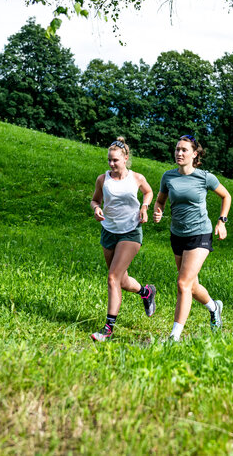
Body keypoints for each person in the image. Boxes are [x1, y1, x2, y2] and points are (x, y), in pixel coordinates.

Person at [153, 135, 231, 342]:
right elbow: (160, 201)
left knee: (182, 283)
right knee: (192, 286)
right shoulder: (168, 177)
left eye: (184, 150)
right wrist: (158, 211)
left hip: (200, 233)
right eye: (177, 149)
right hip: (177, 235)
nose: (179, 153)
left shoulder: (205, 177)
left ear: (194, 154)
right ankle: (214, 308)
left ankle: (174, 336)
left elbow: (226, 196)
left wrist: (221, 221)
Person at [90, 137, 156, 342]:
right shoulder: (103, 179)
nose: (111, 164)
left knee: (112, 278)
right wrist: (96, 209)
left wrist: (145, 207)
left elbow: (148, 192)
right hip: (109, 231)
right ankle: (146, 292)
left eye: (115, 160)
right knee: (121, 279)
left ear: (125, 158)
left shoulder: (136, 178)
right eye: (109, 160)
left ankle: (107, 329)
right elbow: (95, 200)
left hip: (131, 231)